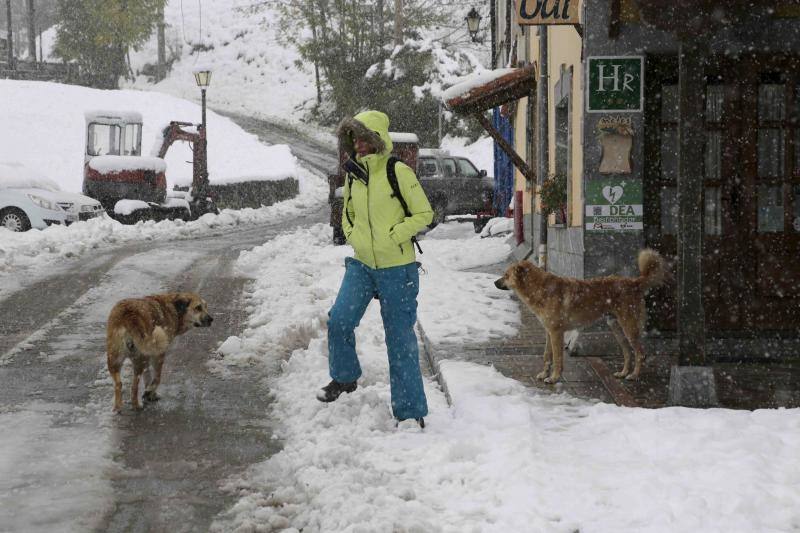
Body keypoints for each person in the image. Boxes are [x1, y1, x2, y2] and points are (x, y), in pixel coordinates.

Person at [317, 110, 433, 428]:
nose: (360, 145)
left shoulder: (398, 172)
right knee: (339, 320)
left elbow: (424, 213)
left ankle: (410, 412)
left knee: (399, 339)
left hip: (397, 268)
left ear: (378, 140)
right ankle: (344, 377)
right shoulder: (354, 174)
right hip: (362, 265)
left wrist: (393, 235)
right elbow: (348, 212)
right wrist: (353, 234)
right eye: (355, 139)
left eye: (365, 139)